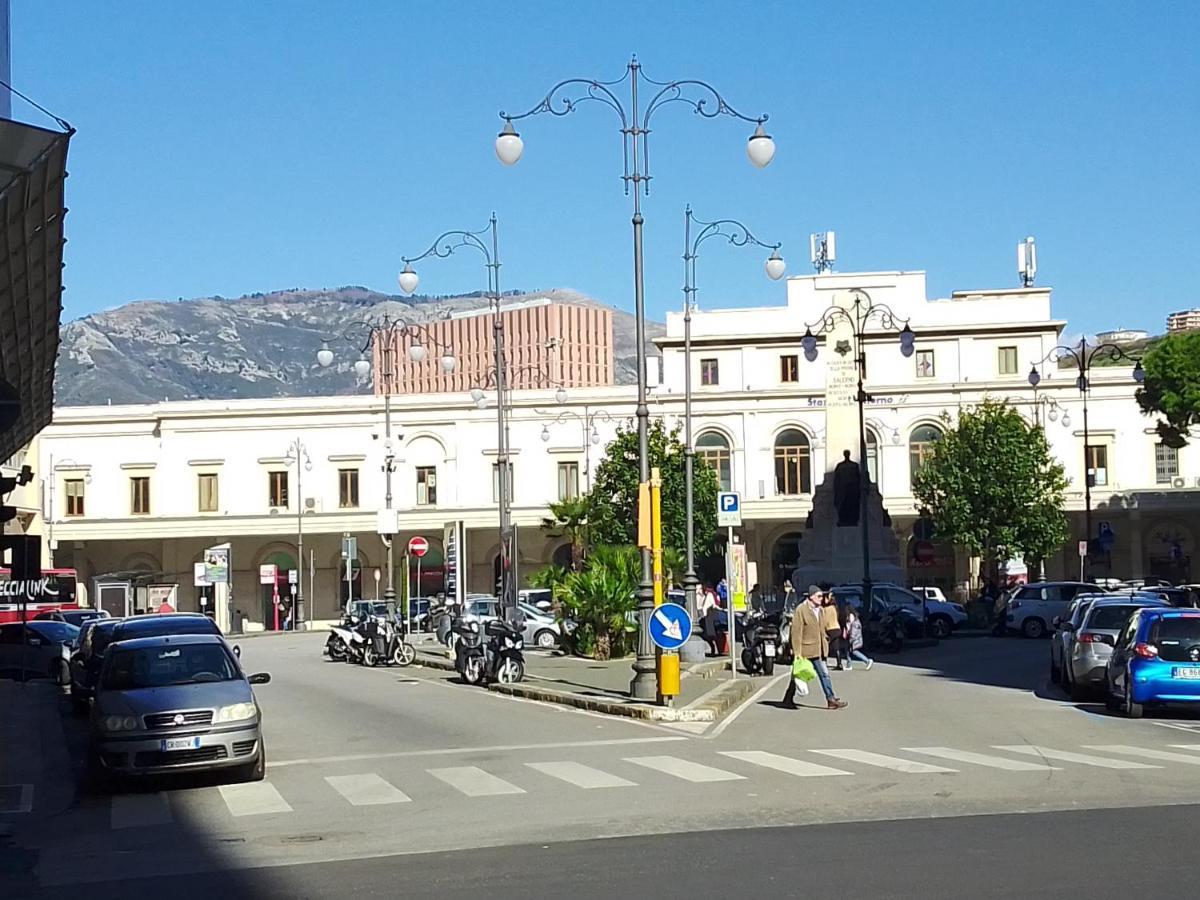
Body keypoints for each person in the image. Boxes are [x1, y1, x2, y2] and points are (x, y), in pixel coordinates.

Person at [781, 585, 847, 710]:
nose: (821, 599)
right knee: (798, 675)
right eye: (819, 596)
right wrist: (797, 652)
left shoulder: (821, 610)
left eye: (822, 596)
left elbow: (822, 629)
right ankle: (788, 698)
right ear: (811, 597)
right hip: (805, 650)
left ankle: (830, 698)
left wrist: (826, 642)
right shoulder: (801, 610)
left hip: (819, 649)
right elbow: (796, 632)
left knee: (824, 674)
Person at [821, 593, 844, 670]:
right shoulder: (834, 608)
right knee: (836, 647)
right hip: (837, 628)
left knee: (825, 647)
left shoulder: (825, 610)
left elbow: (823, 620)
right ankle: (839, 663)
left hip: (829, 629)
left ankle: (824, 663)